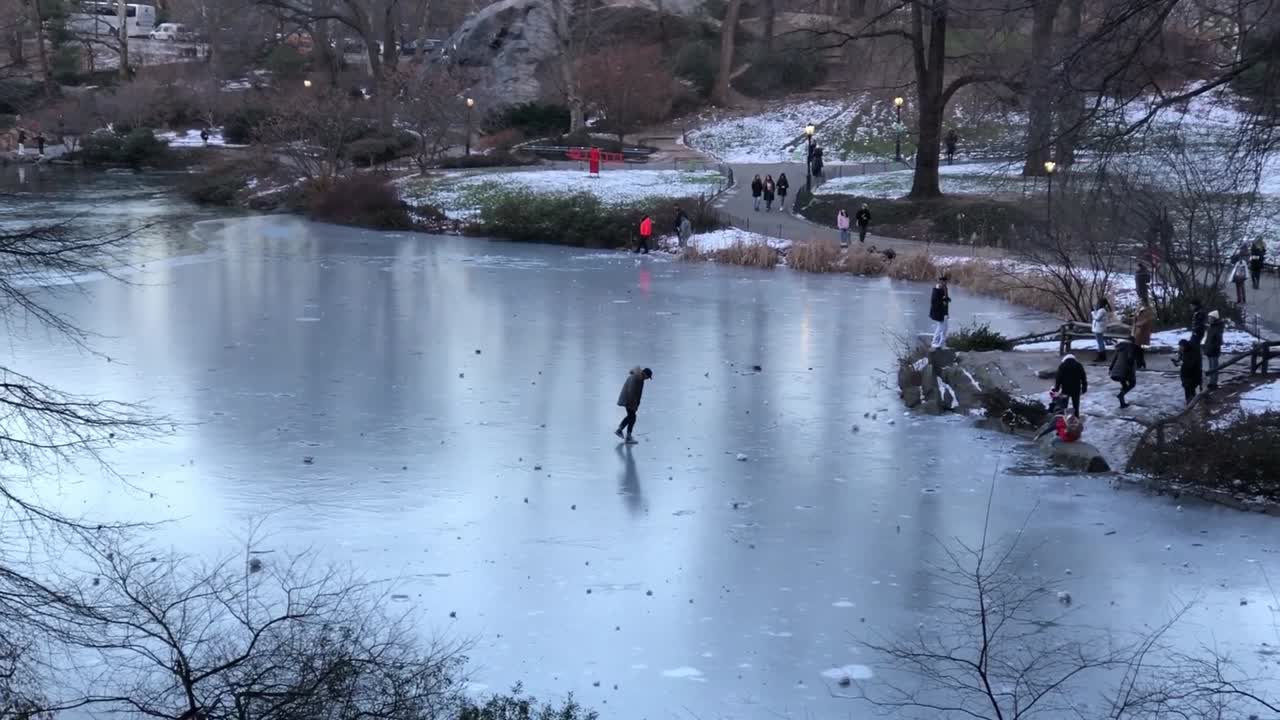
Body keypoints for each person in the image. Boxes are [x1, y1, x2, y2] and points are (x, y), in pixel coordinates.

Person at [614, 367, 653, 443]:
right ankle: (627, 436)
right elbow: (631, 391)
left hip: (628, 399)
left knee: (631, 416)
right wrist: (633, 404)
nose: (647, 379)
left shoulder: (638, 377)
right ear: (645, 374)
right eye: (648, 377)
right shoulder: (637, 378)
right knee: (632, 417)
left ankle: (620, 430)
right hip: (629, 400)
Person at [1109, 336, 1138, 408]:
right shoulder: (1131, 347)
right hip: (1125, 371)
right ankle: (1121, 396)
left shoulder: (1120, 347)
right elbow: (1130, 359)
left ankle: (1122, 403)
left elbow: (1114, 360)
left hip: (1116, 372)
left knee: (1124, 386)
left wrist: (1110, 369)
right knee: (1132, 384)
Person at [1204, 309, 1224, 390]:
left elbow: (1218, 341)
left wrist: (1213, 348)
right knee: (1211, 367)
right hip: (1210, 350)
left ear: (1214, 318)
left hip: (1214, 351)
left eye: (1210, 318)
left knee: (1214, 367)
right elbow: (1208, 339)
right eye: (1208, 318)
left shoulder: (1217, 328)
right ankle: (1211, 382)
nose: (1209, 319)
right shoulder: (1211, 327)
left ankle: (1214, 383)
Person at [929, 275, 951, 349]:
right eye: (944, 282)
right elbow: (934, 301)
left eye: (946, 281)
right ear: (941, 282)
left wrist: (947, 299)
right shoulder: (937, 289)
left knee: (945, 328)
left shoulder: (945, 288)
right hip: (938, 312)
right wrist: (944, 301)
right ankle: (934, 342)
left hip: (944, 312)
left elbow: (945, 301)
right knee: (941, 327)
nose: (946, 283)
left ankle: (942, 343)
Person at [1178, 339, 1202, 404]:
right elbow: (1180, 359)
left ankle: (1192, 402)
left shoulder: (1192, 352)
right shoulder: (1182, 351)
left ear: (1185, 346)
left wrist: (1183, 363)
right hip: (1185, 374)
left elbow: (1192, 364)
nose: (1180, 348)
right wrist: (1177, 362)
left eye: (1181, 347)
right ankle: (1189, 401)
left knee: (1190, 388)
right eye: (1180, 347)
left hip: (1192, 374)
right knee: (1187, 388)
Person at [1132, 300, 1154, 370]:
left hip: (1142, 333)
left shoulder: (1147, 311)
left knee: (1138, 349)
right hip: (1137, 332)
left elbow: (1146, 321)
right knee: (1138, 349)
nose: (1138, 304)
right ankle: (1140, 363)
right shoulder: (1139, 310)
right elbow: (1135, 317)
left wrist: (1138, 324)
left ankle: (1140, 363)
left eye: (1140, 303)